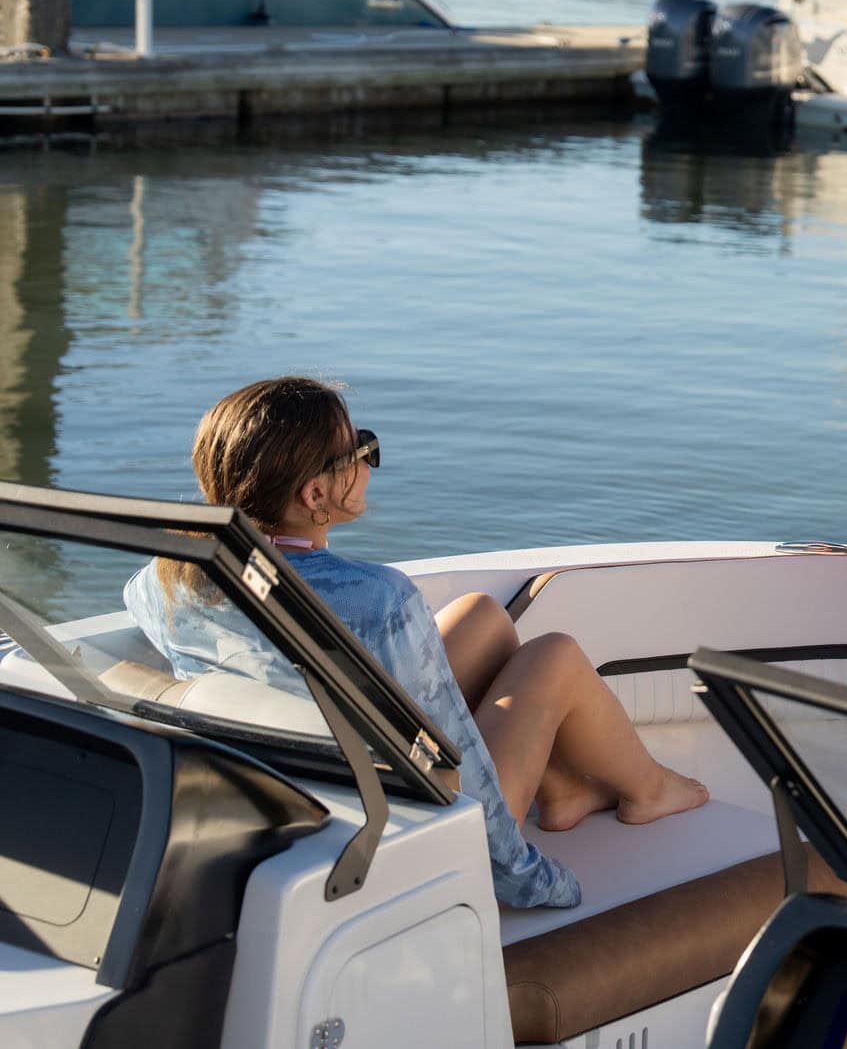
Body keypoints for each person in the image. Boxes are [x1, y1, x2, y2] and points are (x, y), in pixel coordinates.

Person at [124, 377, 709, 909]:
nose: (370, 463)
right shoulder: (378, 600)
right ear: (314, 495)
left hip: (317, 784)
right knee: (553, 657)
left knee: (481, 616)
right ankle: (652, 790)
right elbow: (454, 761)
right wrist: (535, 879)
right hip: (415, 824)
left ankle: (562, 793)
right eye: (361, 452)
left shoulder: (168, 576)